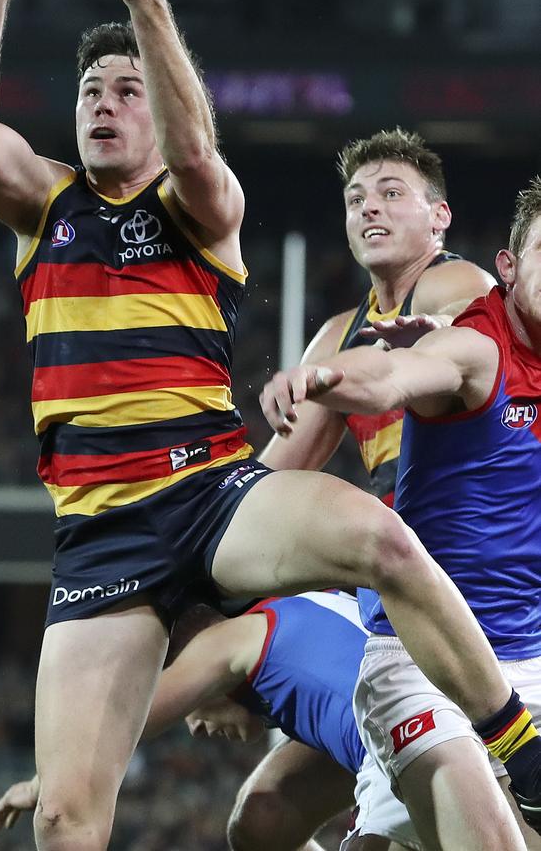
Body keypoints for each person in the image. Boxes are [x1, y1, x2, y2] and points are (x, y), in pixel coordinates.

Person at [0, 0, 541, 849]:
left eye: (126, 88)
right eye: (91, 88)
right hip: (102, 530)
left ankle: (517, 746)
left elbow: (197, 158)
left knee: (381, 541)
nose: (105, 101)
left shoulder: (195, 212)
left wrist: (147, 1)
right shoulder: (44, 207)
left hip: (207, 492)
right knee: (64, 815)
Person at [230, 126, 498, 850]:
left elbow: (425, 348)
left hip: (489, 598)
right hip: (406, 604)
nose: (369, 210)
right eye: (355, 199)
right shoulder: (337, 336)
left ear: (438, 217)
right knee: (261, 820)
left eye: (391, 193)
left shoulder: (459, 284)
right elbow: (264, 489)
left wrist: (334, 376)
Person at [0, 591, 414, 851]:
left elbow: (123, 724)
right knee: (261, 820)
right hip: (404, 721)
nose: (195, 728)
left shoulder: (231, 637)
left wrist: (42, 783)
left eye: (190, 706)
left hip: (409, 738)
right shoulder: (308, 614)